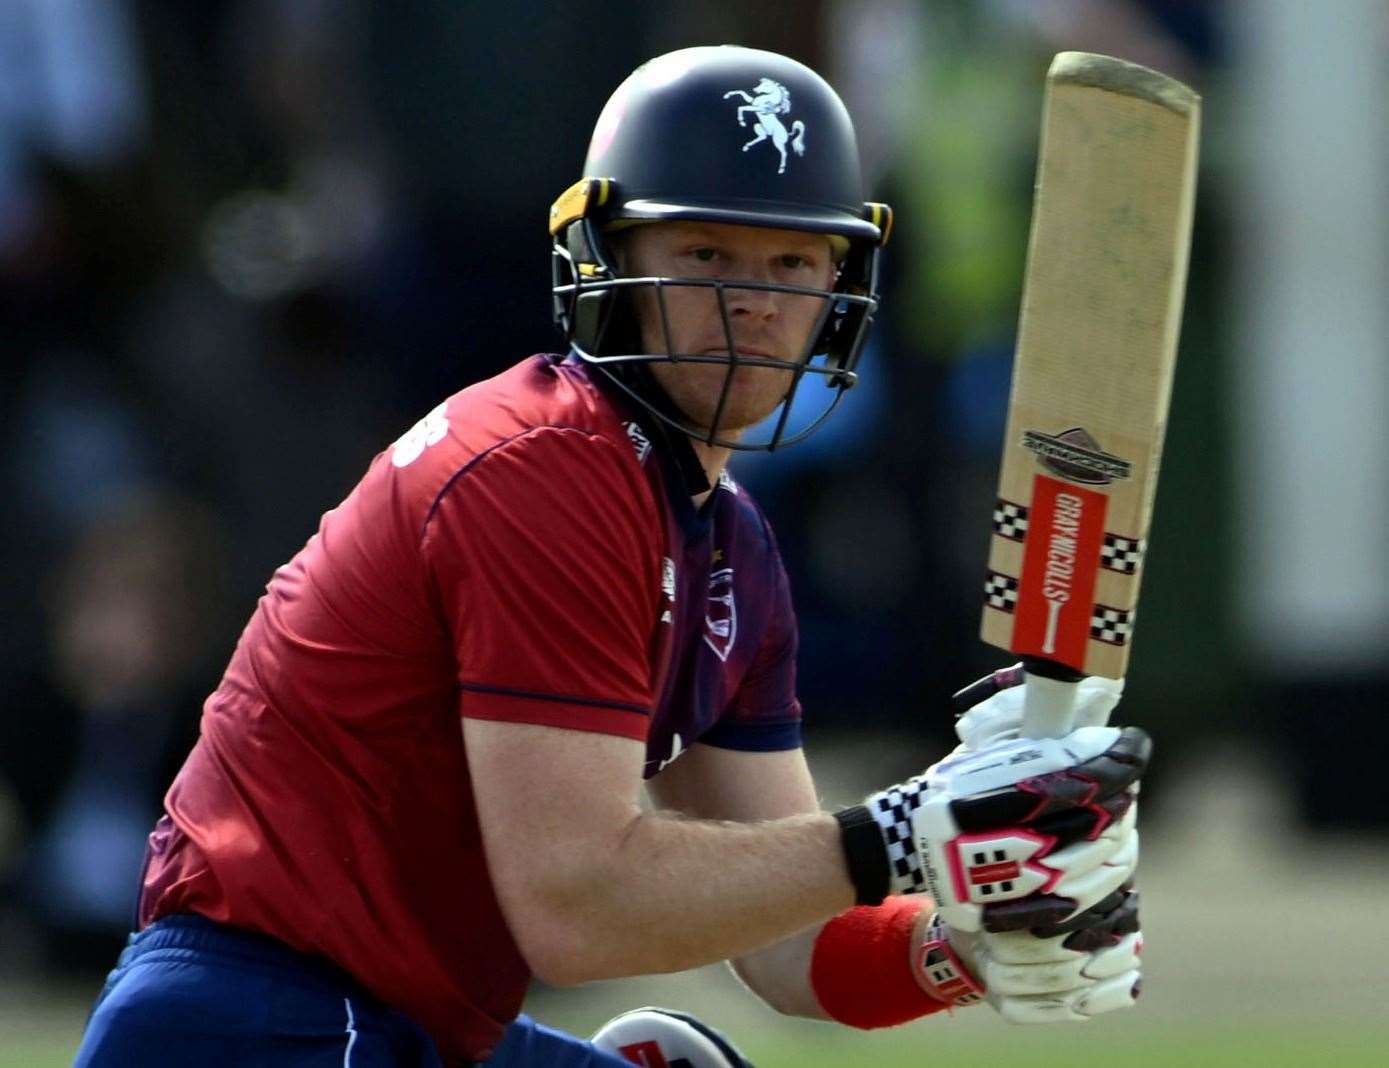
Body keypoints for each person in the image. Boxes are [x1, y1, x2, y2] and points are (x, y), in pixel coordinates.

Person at [74, 46, 1149, 1068]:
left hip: (388, 1024)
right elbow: (576, 908)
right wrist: (914, 834)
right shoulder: (546, 474)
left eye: (790, 261)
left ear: (840, 287)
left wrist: (973, 929)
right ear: (610, 262)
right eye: (705, 254)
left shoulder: (729, 543)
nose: (752, 303)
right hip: (266, 1022)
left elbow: (799, 949)